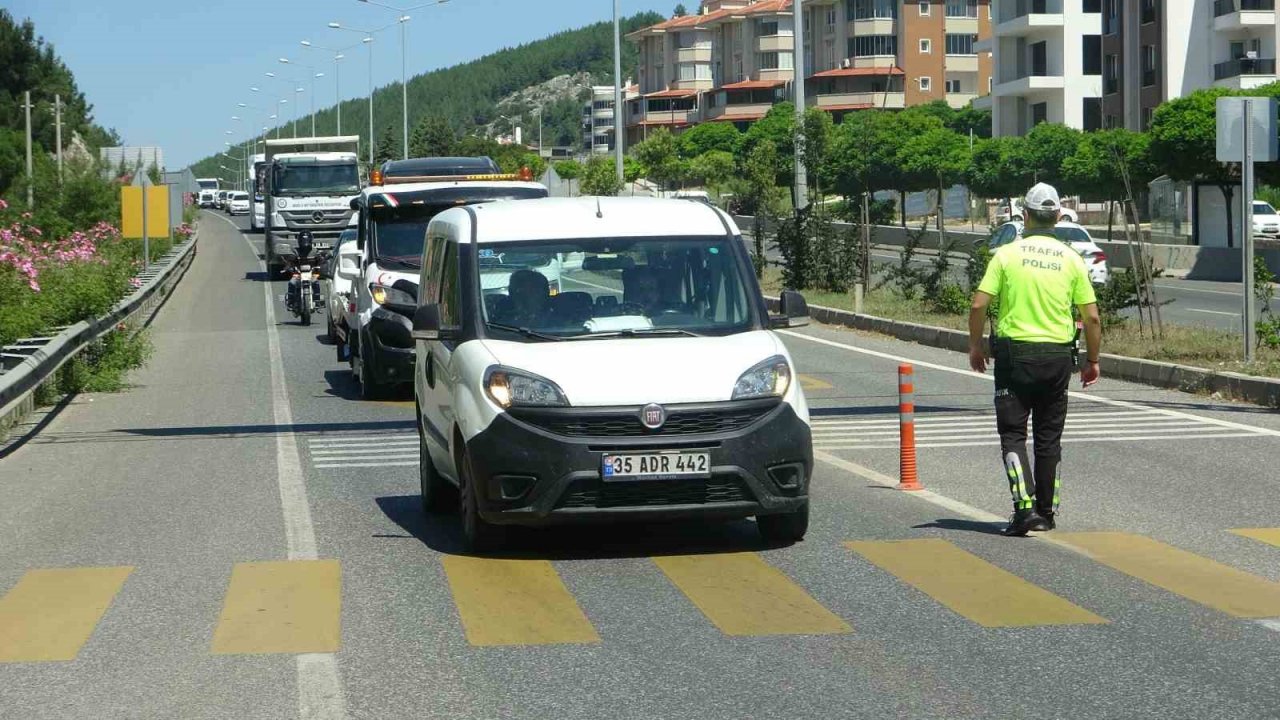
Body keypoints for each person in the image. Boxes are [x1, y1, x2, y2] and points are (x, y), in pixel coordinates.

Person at [968, 182, 1102, 537]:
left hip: (1015, 358)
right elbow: (1091, 317)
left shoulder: (1006, 256)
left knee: (1013, 435)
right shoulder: (1071, 259)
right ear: (1057, 216)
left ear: (1024, 217)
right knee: (1048, 438)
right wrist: (1093, 360)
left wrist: (976, 346)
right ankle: (1048, 511)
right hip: (1058, 358)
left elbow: (979, 304)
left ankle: (1024, 511)